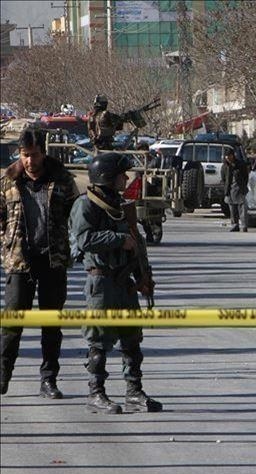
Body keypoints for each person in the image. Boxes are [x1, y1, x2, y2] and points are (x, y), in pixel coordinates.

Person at [69, 152, 162, 414]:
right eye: (122, 175)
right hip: (101, 281)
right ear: (108, 177)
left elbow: (136, 243)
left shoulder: (120, 205)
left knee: (131, 339)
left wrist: (143, 276)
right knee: (99, 341)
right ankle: (96, 393)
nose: (126, 179)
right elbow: (84, 239)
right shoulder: (86, 205)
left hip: (124, 282)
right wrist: (118, 240)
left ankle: (134, 392)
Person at [0, 127, 79, 397]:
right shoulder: (8, 181)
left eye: (34, 155)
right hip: (19, 262)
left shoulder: (63, 180)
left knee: (51, 325)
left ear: (43, 153)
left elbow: (75, 216)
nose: (29, 161)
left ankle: (49, 379)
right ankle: (3, 375)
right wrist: (6, 246)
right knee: (11, 324)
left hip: (52, 261)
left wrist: (70, 247)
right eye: (24, 155)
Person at [220, 148, 250, 232]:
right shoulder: (224, 166)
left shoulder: (240, 165)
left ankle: (244, 225)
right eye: (226, 156)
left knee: (242, 209)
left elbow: (245, 177)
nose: (228, 158)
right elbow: (223, 178)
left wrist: (243, 186)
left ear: (233, 155)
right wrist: (225, 188)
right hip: (230, 190)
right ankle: (235, 225)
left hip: (240, 189)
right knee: (232, 209)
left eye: (229, 156)